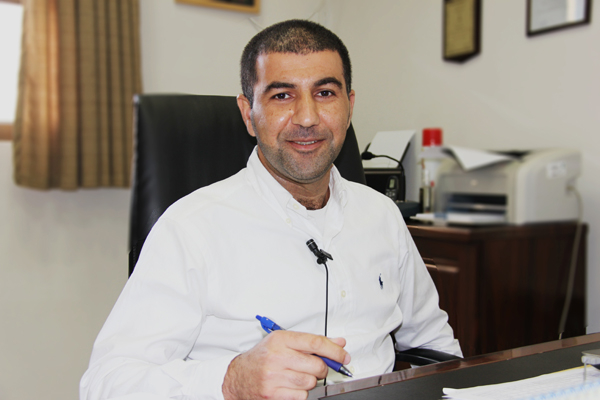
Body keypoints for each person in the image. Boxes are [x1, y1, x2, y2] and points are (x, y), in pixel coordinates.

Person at [80, 19, 461, 400]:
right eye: (282, 96)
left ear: (349, 106)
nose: (307, 117)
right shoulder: (190, 228)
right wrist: (230, 381)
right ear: (248, 113)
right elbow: (105, 383)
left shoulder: (382, 215)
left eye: (325, 92)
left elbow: (434, 344)